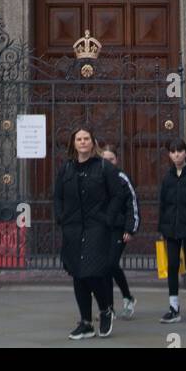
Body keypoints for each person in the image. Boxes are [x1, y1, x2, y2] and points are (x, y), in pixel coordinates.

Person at [54, 125, 127, 339]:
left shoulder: (104, 168)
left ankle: (105, 309)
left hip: (97, 227)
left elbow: (118, 195)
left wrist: (108, 217)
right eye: (79, 139)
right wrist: (61, 216)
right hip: (73, 227)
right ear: (73, 144)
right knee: (78, 273)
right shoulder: (66, 169)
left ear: (93, 143)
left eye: (86, 138)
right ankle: (85, 321)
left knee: (92, 272)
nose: (83, 142)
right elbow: (58, 195)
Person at [157, 138, 186, 322]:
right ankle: (174, 307)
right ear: (169, 154)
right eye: (173, 151)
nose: (176, 154)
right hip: (171, 228)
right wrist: (162, 227)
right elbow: (163, 203)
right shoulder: (167, 177)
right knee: (172, 265)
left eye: (179, 151)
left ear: (185, 153)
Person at [100, 144, 139, 318]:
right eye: (105, 159)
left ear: (116, 160)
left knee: (110, 264)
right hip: (101, 229)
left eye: (111, 159)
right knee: (105, 267)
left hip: (118, 228)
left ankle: (127, 297)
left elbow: (132, 204)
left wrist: (130, 229)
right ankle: (109, 307)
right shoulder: (97, 177)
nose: (108, 162)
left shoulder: (122, 178)